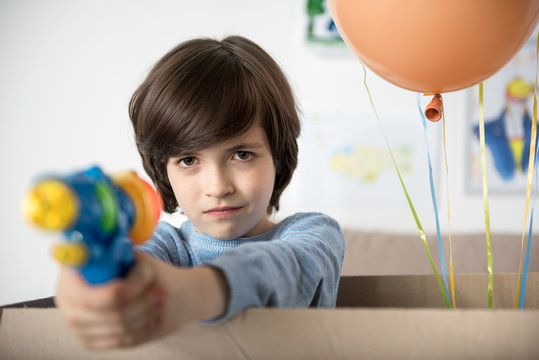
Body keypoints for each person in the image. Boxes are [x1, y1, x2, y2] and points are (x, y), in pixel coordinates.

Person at [55, 35, 345, 349]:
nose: (218, 187)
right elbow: (134, 266)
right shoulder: (166, 246)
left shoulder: (315, 235)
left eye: (242, 154)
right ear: (163, 170)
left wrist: (192, 293)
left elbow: (279, 268)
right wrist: (92, 287)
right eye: (189, 160)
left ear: (279, 156)